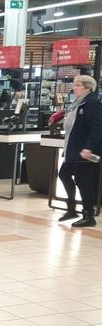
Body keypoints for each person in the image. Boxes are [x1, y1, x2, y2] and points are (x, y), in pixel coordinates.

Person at [58, 74, 102, 228]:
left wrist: (89, 147)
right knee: (63, 174)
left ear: (87, 87)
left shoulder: (92, 103)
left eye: (77, 85)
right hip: (73, 149)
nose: (74, 88)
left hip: (85, 151)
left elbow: (97, 128)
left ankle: (88, 215)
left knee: (83, 181)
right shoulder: (77, 103)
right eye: (74, 84)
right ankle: (71, 209)